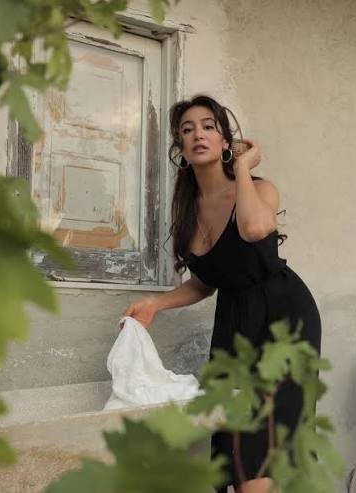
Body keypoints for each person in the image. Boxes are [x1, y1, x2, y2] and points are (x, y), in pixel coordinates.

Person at [123, 95, 321, 493]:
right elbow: (205, 281)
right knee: (233, 442)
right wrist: (155, 304)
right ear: (180, 148)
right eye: (188, 129)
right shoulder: (188, 211)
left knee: (262, 448)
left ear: (225, 141)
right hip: (233, 325)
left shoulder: (260, 189)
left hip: (284, 319)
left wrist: (243, 168)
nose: (198, 134)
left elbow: (253, 229)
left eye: (209, 126)